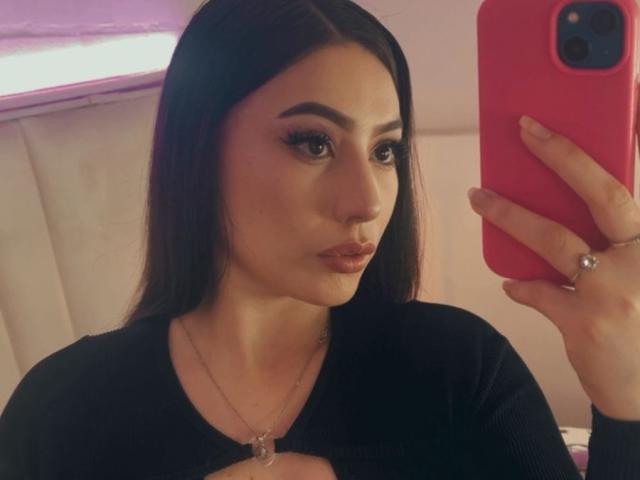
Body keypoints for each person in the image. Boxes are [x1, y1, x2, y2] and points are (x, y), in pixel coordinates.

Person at [1, 0, 640, 478]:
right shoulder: (60, 413)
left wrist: (627, 402)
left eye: (385, 150)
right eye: (313, 143)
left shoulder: (460, 371)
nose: (367, 202)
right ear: (197, 150)